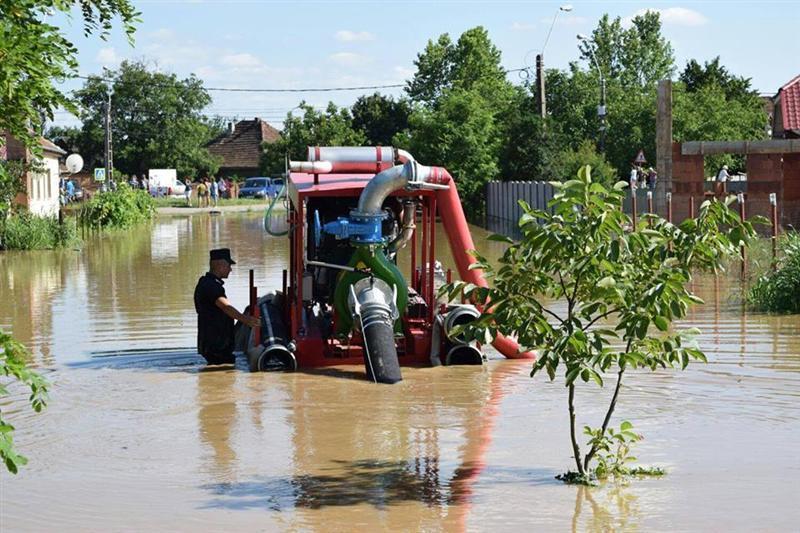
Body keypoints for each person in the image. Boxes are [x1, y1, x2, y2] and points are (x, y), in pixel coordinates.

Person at [194, 248, 260, 365]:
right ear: (219, 265)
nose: (230, 269)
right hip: (216, 345)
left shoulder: (208, 283)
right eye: (229, 265)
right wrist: (247, 320)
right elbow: (225, 307)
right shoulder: (210, 286)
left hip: (214, 343)